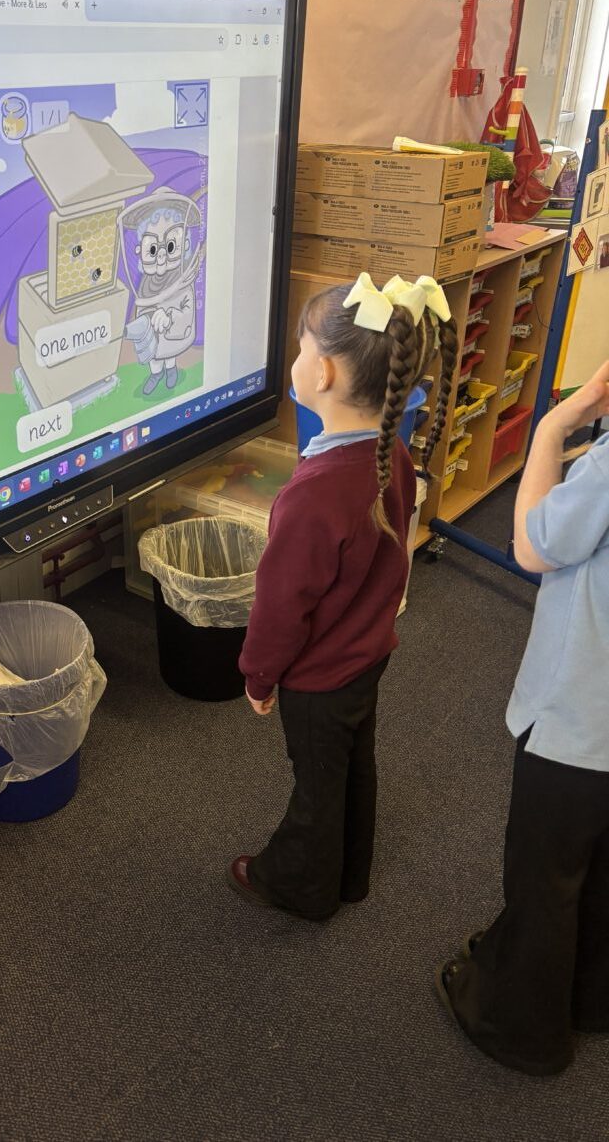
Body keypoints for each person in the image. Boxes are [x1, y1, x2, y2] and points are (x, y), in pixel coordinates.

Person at [228, 273, 459, 919]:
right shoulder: (391, 457)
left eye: (300, 349)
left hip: (318, 676)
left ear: (323, 373)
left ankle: (298, 886)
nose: (296, 361)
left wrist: (257, 677)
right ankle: (349, 874)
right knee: (354, 763)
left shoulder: (312, 494)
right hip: (367, 654)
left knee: (316, 783)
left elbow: (281, 608)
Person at [436, 359, 609, 1077]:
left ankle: (522, 1032)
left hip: (579, 720)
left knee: (544, 877)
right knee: (599, 868)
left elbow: (533, 548)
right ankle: (590, 999)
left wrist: (552, 429)